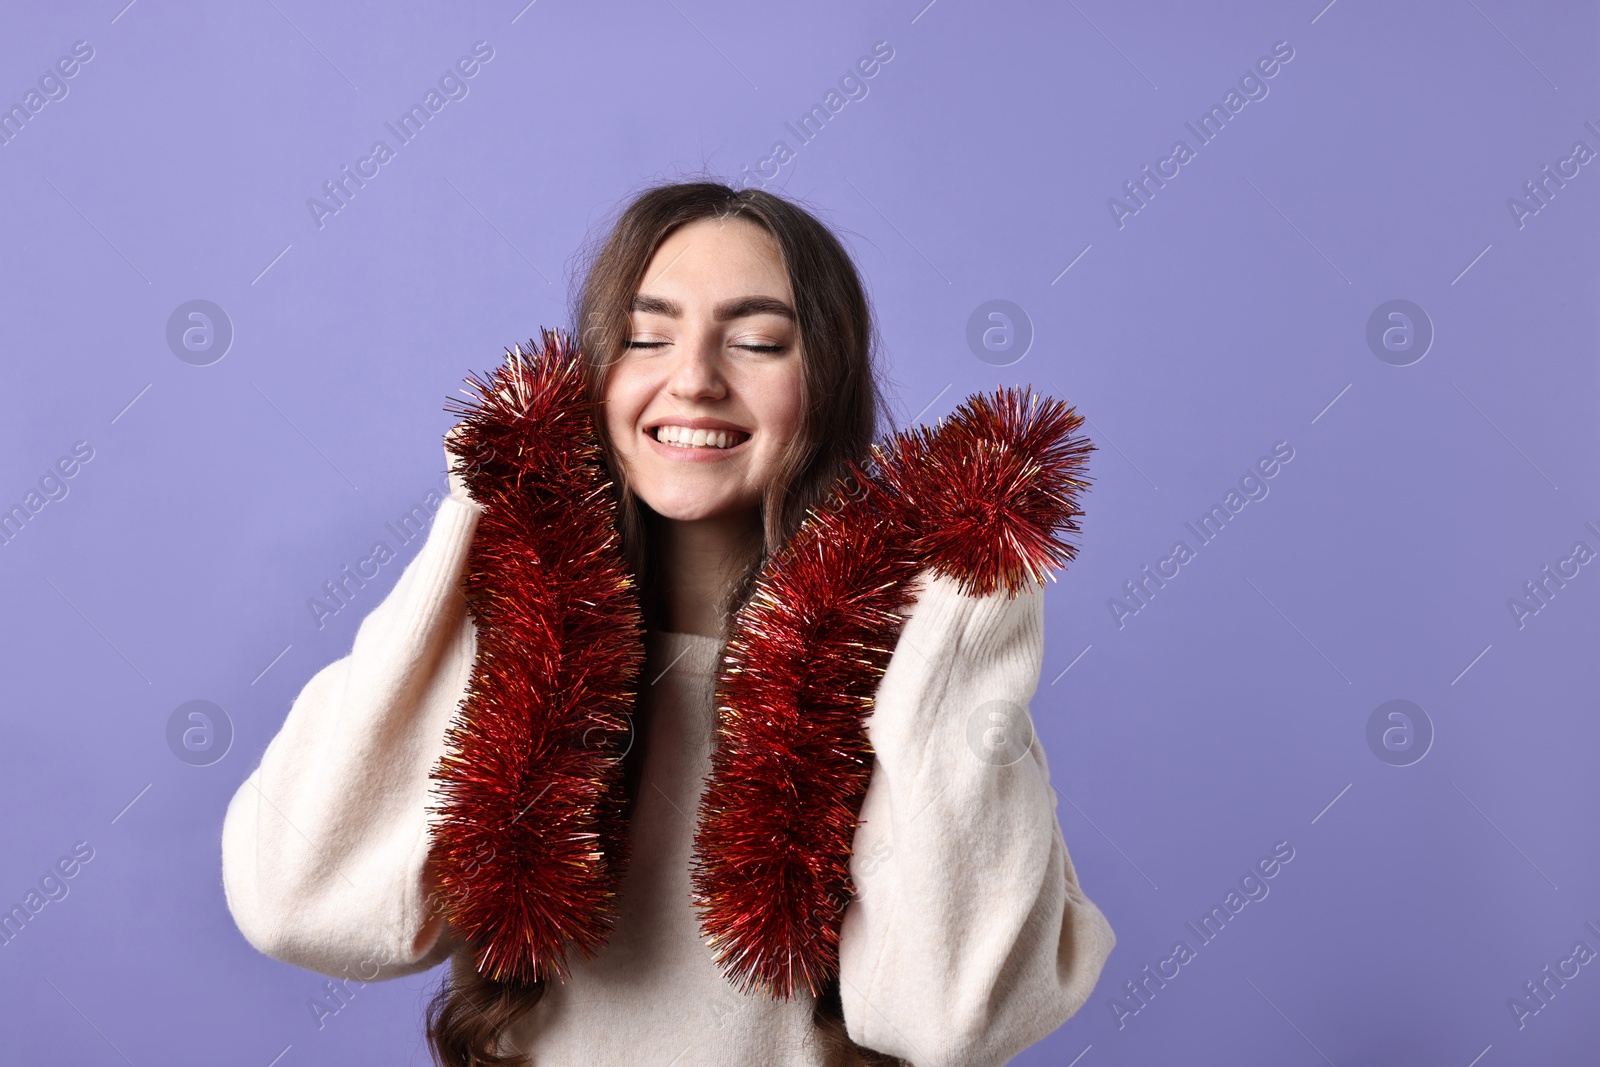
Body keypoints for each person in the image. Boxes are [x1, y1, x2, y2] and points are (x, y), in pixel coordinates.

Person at [219, 180, 1115, 1066]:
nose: (693, 380)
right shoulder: (513, 644)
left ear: (828, 380)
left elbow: (955, 1020)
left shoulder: (909, 673)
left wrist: (969, 594)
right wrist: (480, 515)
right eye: (646, 337)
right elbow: (299, 901)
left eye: (758, 342)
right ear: (593, 377)